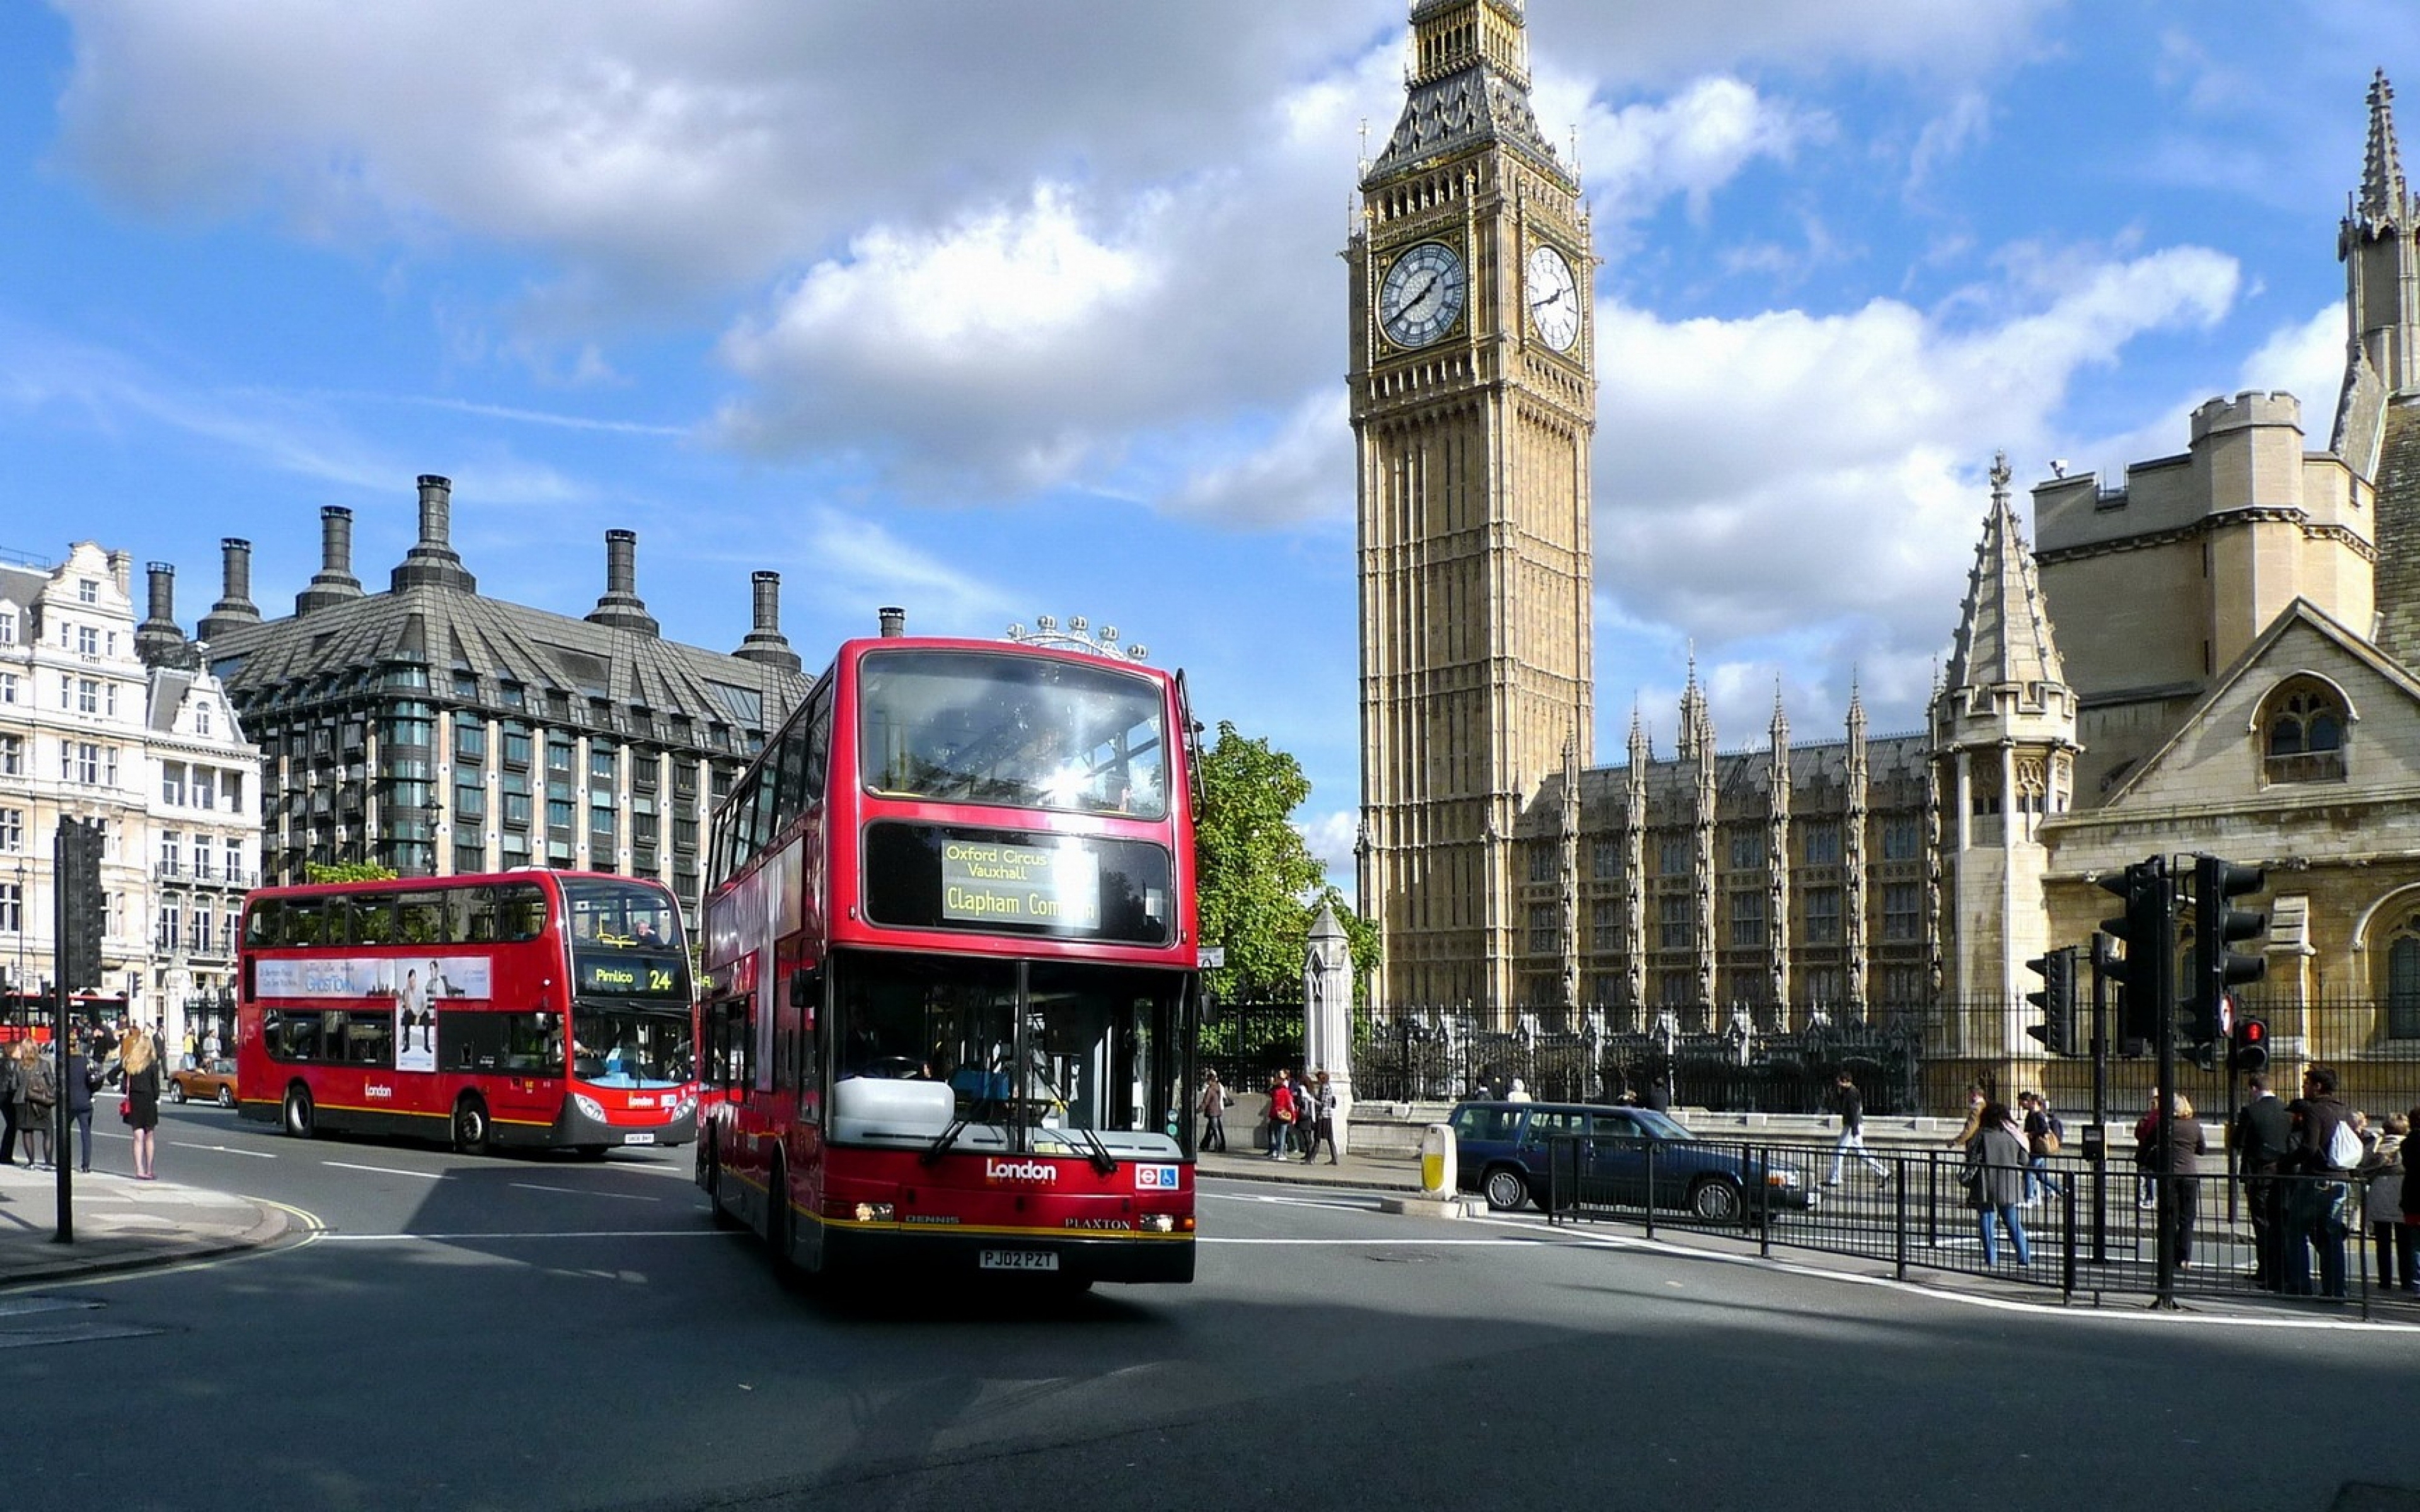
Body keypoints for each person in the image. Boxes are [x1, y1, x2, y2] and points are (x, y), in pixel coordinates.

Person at [2281, 1064, 2354, 1298]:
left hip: (2316, 1178)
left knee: (2296, 1230)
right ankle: (2335, 1288)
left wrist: (2287, 1161)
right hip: (2340, 1178)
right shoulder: (2344, 1110)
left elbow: (2310, 1147)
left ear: (2317, 1086)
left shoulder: (2315, 1111)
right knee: (2331, 1234)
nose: (2304, 1088)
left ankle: (2300, 1284)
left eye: (2306, 1084)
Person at [2231, 1074, 2293, 1290]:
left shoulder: (2251, 1111)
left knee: (2262, 1223)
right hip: (2283, 1173)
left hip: (2258, 1174)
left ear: (2254, 1088)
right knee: (2280, 1223)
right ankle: (2281, 1270)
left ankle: (2266, 1270)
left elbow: (2238, 1141)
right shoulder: (2287, 1111)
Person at [2145, 1090, 2207, 1270]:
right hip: (2189, 1174)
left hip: (2169, 1176)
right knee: (2187, 1218)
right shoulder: (2195, 1126)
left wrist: (2142, 1160)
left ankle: (2169, 1256)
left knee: (2169, 1216)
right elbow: (2202, 1150)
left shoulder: (2164, 1125)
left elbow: (2147, 1145)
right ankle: (2185, 1257)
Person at [1964, 1099, 2031, 1266]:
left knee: (1986, 1220)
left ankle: (1991, 1258)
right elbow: (2023, 1160)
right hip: (2009, 1182)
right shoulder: (2014, 1136)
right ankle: (2024, 1256)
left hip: (1985, 1181)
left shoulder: (1982, 1134)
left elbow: (1971, 1156)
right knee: (2013, 1222)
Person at [2360, 1113, 2409, 1293]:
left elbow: (2363, 1164)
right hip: (2403, 1192)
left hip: (2380, 1191)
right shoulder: (2408, 1145)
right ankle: (2407, 1280)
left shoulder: (2377, 1145)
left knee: (2383, 1240)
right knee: (2405, 1241)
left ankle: (2385, 1280)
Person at [1823, 1070, 1889, 1186]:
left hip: (1852, 1126)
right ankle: (1884, 1172)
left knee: (1839, 1151)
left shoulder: (1852, 1093)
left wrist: (1854, 1129)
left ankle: (1835, 1178)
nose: (1838, 1084)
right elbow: (1840, 1104)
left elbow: (1854, 1112)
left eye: (1840, 1082)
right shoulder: (1848, 1092)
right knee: (1861, 1153)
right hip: (1852, 1125)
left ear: (1845, 1081)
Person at [121, 1028, 161, 1181]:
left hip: (134, 1101)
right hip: (149, 1101)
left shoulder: (130, 1064)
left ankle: (139, 1169)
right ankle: (150, 1169)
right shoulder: (152, 1065)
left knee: (138, 1137)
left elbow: (123, 1083)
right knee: (149, 1137)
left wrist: (122, 1090)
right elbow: (156, 1087)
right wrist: (156, 1098)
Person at [2018, 1091, 2066, 1203]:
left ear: (2036, 1103)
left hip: (2037, 1149)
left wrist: (2031, 1134)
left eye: (2031, 1102)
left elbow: (2044, 1129)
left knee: (2029, 1172)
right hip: (2036, 1149)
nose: (2029, 1104)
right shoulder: (2033, 1114)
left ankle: (2029, 1198)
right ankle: (2061, 1190)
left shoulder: (2038, 1115)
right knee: (2041, 1176)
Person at [64, 1033, 99, 1174]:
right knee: (86, 1134)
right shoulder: (84, 1060)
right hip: (84, 1100)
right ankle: (86, 1165)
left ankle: (65, 1161)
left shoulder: (64, 1061)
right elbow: (90, 1080)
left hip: (69, 1102)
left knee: (64, 1134)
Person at [19, 1042, 56, 1170]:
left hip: (25, 1102)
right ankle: (48, 1162)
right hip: (41, 1102)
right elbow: (51, 1083)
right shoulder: (44, 1064)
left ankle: (31, 1163)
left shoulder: (20, 1065)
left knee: (27, 1132)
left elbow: (14, 1085)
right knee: (48, 1131)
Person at [1303, 1070, 1339, 1165]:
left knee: (1317, 1138)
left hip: (1322, 1116)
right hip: (1328, 1116)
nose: (1317, 1081)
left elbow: (1322, 1103)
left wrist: (1313, 1100)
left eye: (1318, 1078)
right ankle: (1335, 1158)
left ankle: (1311, 1159)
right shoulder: (1329, 1087)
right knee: (1330, 1138)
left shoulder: (1324, 1088)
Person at [1265, 1070, 1296, 1160]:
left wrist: (1272, 1084)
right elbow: (1290, 1105)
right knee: (1282, 1135)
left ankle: (1275, 1151)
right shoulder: (1286, 1092)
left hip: (1274, 1114)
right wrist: (1293, 1116)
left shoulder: (1275, 1091)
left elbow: (1268, 1093)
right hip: (1283, 1115)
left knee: (1276, 1135)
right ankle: (1281, 1153)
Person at [1947, 1084, 1986, 1150]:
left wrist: (1955, 1142)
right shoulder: (1984, 1105)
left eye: (1969, 1095)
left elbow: (1970, 1128)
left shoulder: (1977, 1109)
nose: (1968, 1097)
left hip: (1975, 1143)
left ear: (1974, 1094)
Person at [1197, 1070, 1228, 1153]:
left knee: (1215, 1130)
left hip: (1212, 1111)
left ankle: (1219, 1146)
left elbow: (1206, 1101)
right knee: (1211, 1129)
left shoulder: (1210, 1089)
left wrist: (1199, 1109)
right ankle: (1205, 1145)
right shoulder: (1218, 1087)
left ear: (1210, 1080)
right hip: (1218, 1111)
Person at [0, 1039, 20, 1166]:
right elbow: (14, 1082)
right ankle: (6, 1155)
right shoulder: (15, 1063)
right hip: (8, 1095)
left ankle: (5, 1154)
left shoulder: (2, 1062)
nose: (21, 1052)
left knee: (10, 1124)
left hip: (2, 1093)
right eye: (19, 1050)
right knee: (12, 1125)